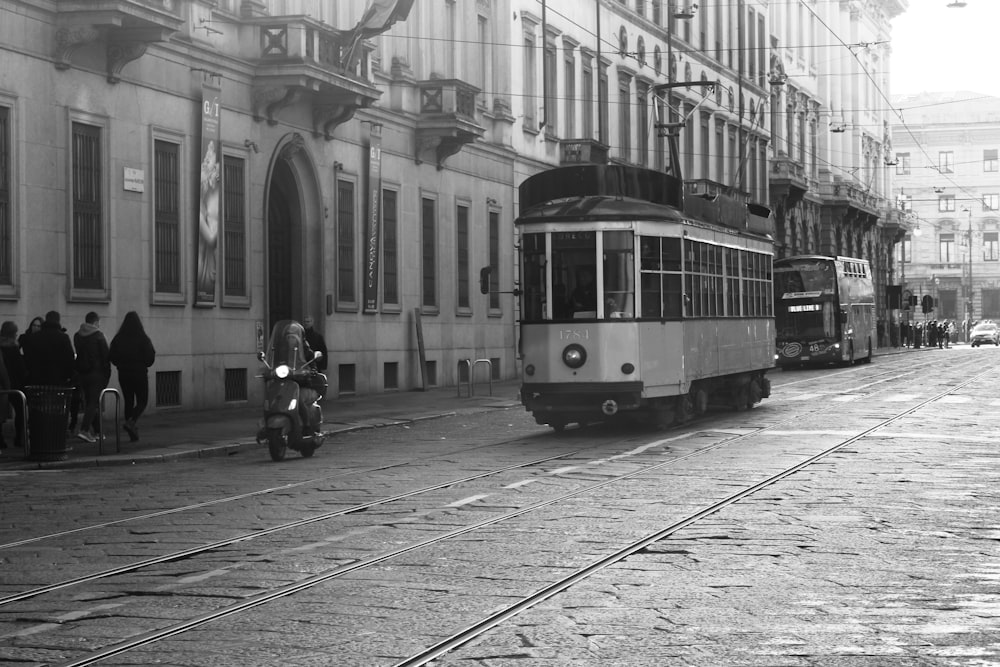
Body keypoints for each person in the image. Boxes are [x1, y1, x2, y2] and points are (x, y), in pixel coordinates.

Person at [109, 311, 156, 442]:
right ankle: (132, 422)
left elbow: (112, 356)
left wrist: (121, 364)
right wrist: (143, 363)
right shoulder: (143, 338)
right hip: (139, 373)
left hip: (124, 373)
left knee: (128, 401)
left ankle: (131, 430)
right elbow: (150, 357)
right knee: (142, 400)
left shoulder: (118, 338)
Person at [73, 312, 111, 443]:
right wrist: (107, 374)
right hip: (97, 373)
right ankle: (84, 430)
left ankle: (98, 431)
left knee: (91, 401)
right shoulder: (98, 336)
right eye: (98, 322)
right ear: (95, 322)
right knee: (93, 402)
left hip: (83, 373)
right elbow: (106, 356)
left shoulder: (77, 336)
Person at [22, 311, 75, 386]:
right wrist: (68, 375)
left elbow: (29, 357)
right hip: (58, 378)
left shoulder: (34, 337)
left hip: (37, 378)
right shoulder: (63, 337)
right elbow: (69, 358)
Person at [0, 321, 27, 450]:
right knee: (20, 410)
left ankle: (1, 440)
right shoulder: (13, 347)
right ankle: (19, 438)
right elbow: (19, 368)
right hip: (14, 383)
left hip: (2, 384)